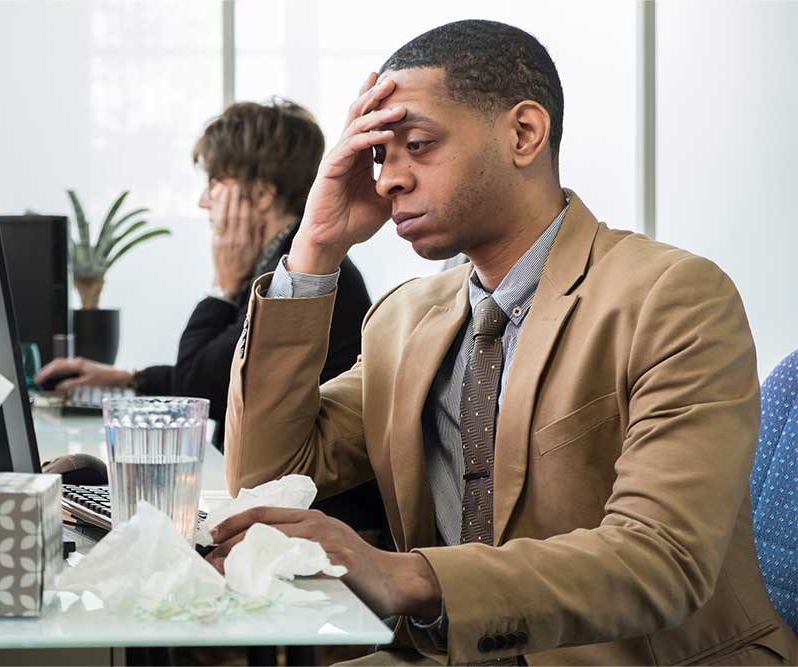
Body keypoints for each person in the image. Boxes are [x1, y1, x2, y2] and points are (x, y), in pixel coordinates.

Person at [209, 20, 798, 666]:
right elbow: (266, 479)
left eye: (418, 145)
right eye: (380, 154)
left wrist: (407, 575)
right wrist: (316, 247)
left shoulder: (673, 297)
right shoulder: (403, 320)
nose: (386, 180)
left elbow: (661, 557)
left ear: (523, 134)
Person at [36, 99, 388, 538]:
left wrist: (221, 285)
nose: (203, 202)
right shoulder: (278, 258)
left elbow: (200, 385)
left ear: (260, 194)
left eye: (215, 183)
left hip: (322, 525)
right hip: (287, 506)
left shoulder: (299, 276)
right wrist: (127, 377)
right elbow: (226, 371)